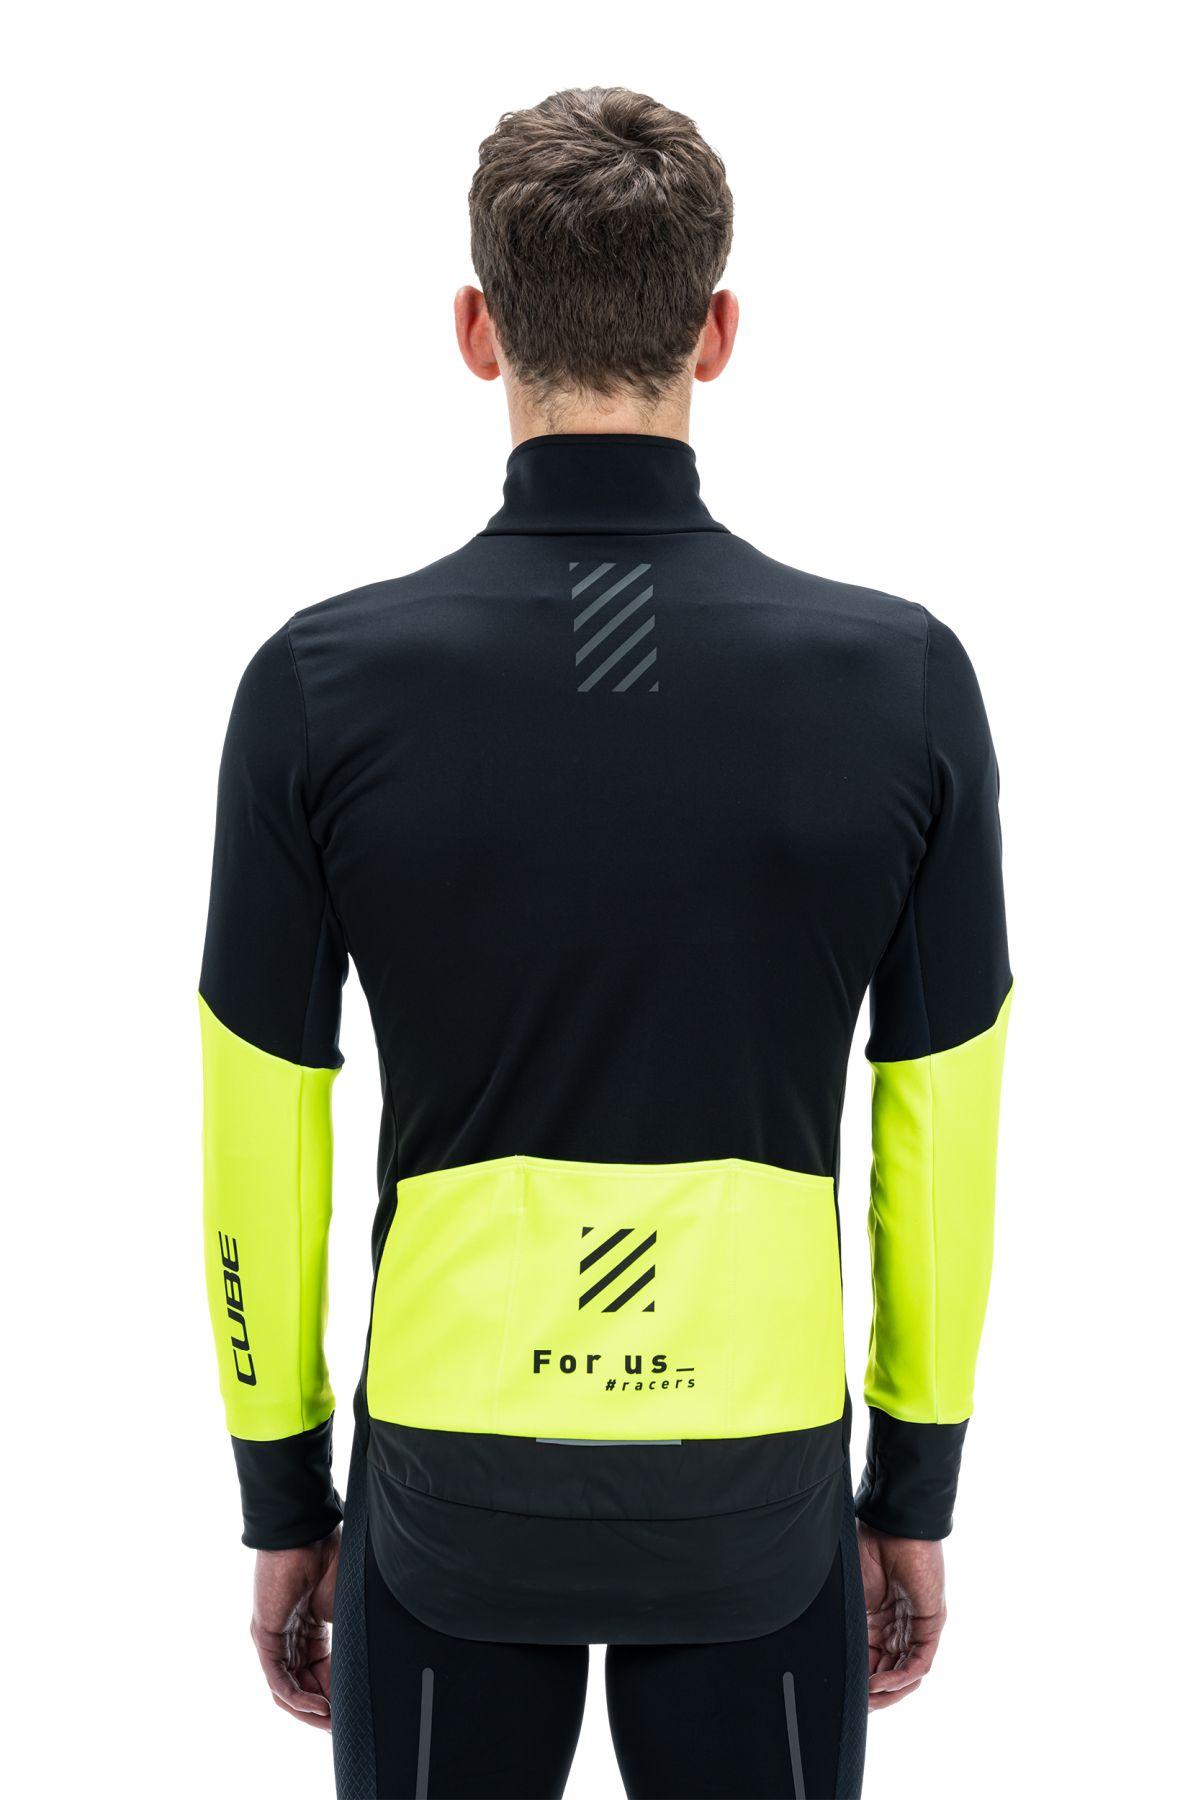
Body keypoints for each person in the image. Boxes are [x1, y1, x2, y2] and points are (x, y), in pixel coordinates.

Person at [200, 86, 1010, 1800]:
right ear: (715, 331)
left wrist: (283, 1502)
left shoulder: (319, 687)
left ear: (477, 329)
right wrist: (913, 1489)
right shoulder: (902, 683)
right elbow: (942, 1126)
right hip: (759, 1495)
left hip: (448, 1493)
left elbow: (260, 1127)